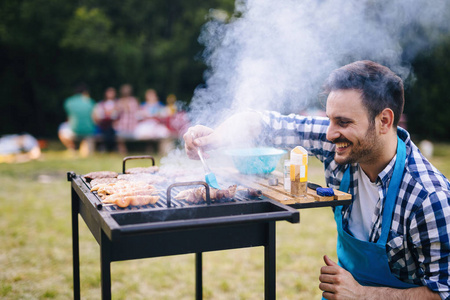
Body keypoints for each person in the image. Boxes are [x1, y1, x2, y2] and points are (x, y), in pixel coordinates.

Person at [183, 60, 450, 299]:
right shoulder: (341, 144)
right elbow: (265, 123)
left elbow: (443, 292)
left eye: (343, 122)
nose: (330, 134)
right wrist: (217, 136)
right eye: (329, 120)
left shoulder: (430, 197)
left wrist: (362, 295)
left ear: (384, 120)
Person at [58, 83, 96, 156]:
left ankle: (72, 148)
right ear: (85, 92)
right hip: (88, 131)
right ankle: (84, 148)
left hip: (74, 130)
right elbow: (94, 119)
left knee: (61, 128)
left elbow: (69, 118)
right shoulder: (90, 102)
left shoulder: (69, 102)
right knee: (86, 152)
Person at [114, 84, 140, 154]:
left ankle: (122, 152)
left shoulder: (120, 102)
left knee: (118, 135)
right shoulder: (135, 101)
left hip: (126, 129)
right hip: (134, 128)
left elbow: (115, 115)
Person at [93, 87, 118, 152]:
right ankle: (109, 147)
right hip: (103, 125)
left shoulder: (118, 103)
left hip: (115, 125)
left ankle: (107, 147)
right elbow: (97, 116)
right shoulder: (100, 104)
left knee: (110, 128)